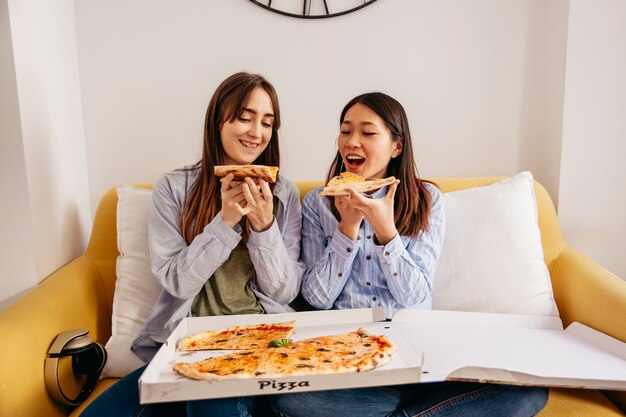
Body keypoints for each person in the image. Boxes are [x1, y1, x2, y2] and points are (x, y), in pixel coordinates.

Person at [268, 92, 548, 417]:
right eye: (346, 131)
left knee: (529, 391)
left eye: (368, 132)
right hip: (346, 358)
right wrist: (348, 229)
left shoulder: (426, 199)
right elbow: (316, 298)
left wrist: (386, 233)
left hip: (415, 352)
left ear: (396, 146)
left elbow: (416, 297)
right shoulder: (319, 202)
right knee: (288, 399)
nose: (352, 141)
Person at [80, 72, 305, 417]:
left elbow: (284, 292)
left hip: (258, 334)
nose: (256, 132)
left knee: (211, 407)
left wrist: (263, 224)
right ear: (218, 120)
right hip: (188, 341)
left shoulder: (284, 193)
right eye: (244, 117)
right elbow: (177, 281)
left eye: (267, 122)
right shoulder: (173, 188)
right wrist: (226, 221)